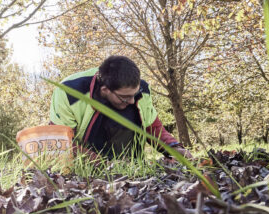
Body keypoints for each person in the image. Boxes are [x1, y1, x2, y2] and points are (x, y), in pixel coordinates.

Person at [50, 55, 190, 161]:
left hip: (131, 165)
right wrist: (104, 164)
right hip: (87, 163)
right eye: (125, 97)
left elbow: (153, 128)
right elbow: (62, 142)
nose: (132, 101)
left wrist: (175, 148)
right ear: (105, 90)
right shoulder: (67, 92)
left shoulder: (143, 90)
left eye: (134, 94)